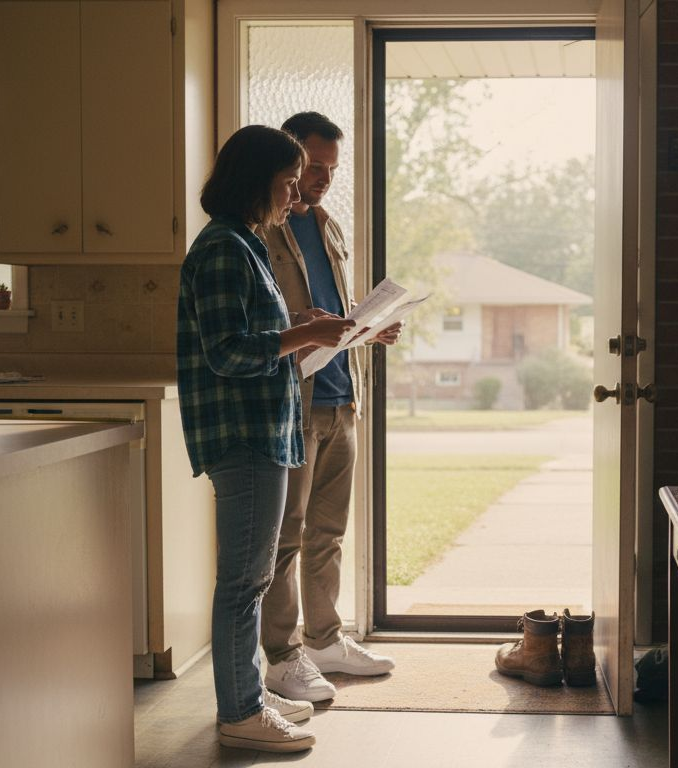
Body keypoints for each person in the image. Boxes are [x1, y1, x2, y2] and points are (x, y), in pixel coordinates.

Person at [177, 124, 355, 752]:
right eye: (287, 182)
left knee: (250, 579)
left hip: (260, 432)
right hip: (245, 435)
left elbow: (253, 331)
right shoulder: (225, 248)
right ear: (258, 182)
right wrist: (304, 334)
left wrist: (301, 322)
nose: (294, 196)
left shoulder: (243, 243)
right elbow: (227, 351)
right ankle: (241, 714)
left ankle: (248, 696)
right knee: (244, 582)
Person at [258, 111, 401, 703]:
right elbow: (266, 320)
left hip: (342, 397)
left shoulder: (327, 225)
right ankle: (281, 656)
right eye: (314, 167)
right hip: (293, 401)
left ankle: (324, 640)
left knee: (329, 534)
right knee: (284, 539)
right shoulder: (261, 229)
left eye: (331, 170)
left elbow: (332, 312)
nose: (321, 179)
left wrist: (368, 329)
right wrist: (307, 325)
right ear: (290, 160)